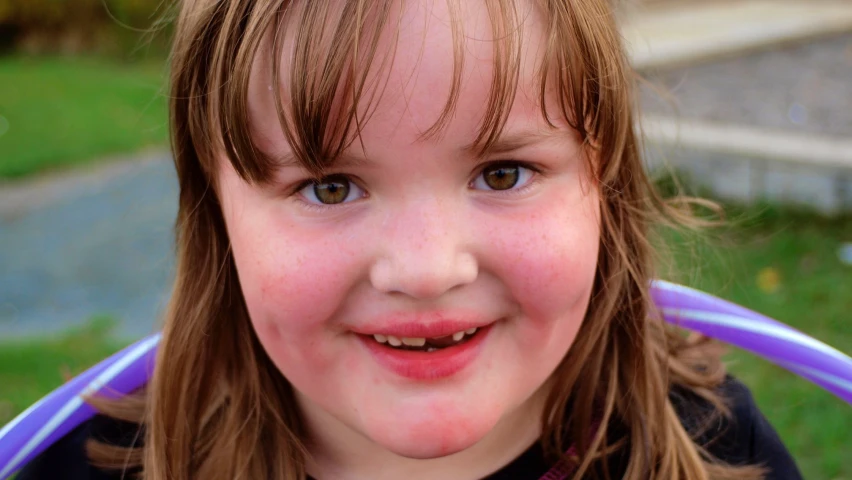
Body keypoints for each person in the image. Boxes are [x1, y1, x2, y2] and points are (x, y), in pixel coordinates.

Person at [18, 0, 803, 478]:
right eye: (329, 186)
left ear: (607, 187)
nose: (427, 270)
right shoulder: (90, 464)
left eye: (503, 173)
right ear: (217, 216)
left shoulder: (717, 446)